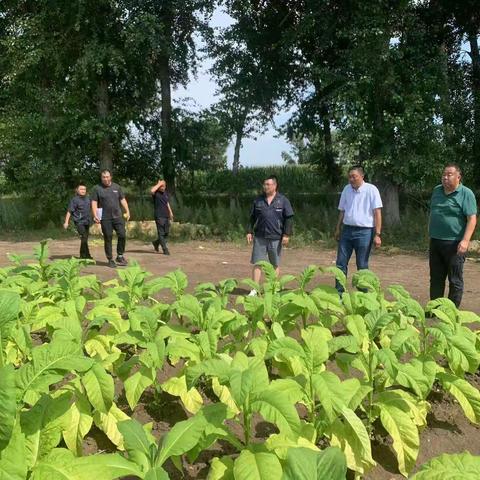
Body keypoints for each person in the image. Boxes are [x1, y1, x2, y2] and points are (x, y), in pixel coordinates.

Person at [429, 163, 477, 307]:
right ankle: (434, 309)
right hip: (436, 241)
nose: (445, 177)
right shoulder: (437, 191)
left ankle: (451, 312)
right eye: (444, 174)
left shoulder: (466, 193)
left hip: (455, 243)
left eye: (449, 175)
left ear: (458, 177)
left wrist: (465, 241)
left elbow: (472, 219)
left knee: (455, 280)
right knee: (436, 278)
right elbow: (433, 214)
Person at [334, 166, 383, 293]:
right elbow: (342, 211)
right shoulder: (346, 189)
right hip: (347, 230)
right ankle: (339, 294)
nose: (351, 179)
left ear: (362, 176)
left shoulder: (371, 190)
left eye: (354, 176)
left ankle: (363, 296)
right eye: (349, 176)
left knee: (362, 265)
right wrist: (338, 228)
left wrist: (377, 234)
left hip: (364, 232)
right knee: (340, 263)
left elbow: (377, 212)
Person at [246, 175, 294, 296]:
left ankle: (272, 288)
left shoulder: (283, 200)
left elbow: (289, 218)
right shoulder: (258, 200)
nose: (265, 187)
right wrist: (249, 231)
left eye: (268, 184)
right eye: (264, 184)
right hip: (260, 237)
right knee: (258, 263)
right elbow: (251, 217)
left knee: (274, 264)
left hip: (276, 237)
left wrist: (287, 234)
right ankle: (254, 289)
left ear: (275, 185)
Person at [91, 169, 130, 268]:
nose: (105, 179)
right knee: (108, 237)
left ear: (110, 177)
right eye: (103, 177)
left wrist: (127, 210)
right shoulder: (97, 188)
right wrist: (95, 214)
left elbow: (122, 199)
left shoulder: (117, 187)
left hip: (118, 216)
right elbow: (94, 202)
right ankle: (110, 259)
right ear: (101, 178)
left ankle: (120, 256)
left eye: (107, 177)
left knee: (122, 235)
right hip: (105, 218)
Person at [63, 183, 92, 259]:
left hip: (87, 221)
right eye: (81, 189)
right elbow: (69, 211)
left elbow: (94, 207)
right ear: (77, 190)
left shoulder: (88, 198)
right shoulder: (75, 200)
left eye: (84, 189)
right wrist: (66, 222)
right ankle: (84, 255)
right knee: (84, 237)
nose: (83, 191)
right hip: (79, 222)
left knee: (85, 239)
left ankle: (86, 255)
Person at [150, 179, 174, 255]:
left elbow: (167, 203)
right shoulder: (156, 193)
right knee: (161, 233)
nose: (163, 187)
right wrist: (159, 184)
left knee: (166, 233)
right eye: (162, 186)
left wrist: (170, 212)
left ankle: (156, 243)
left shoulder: (165, 193)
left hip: (166, 215)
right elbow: (151, 190)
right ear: (159, 186)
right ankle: (165, 249)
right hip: (159, 216)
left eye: (164, 186)